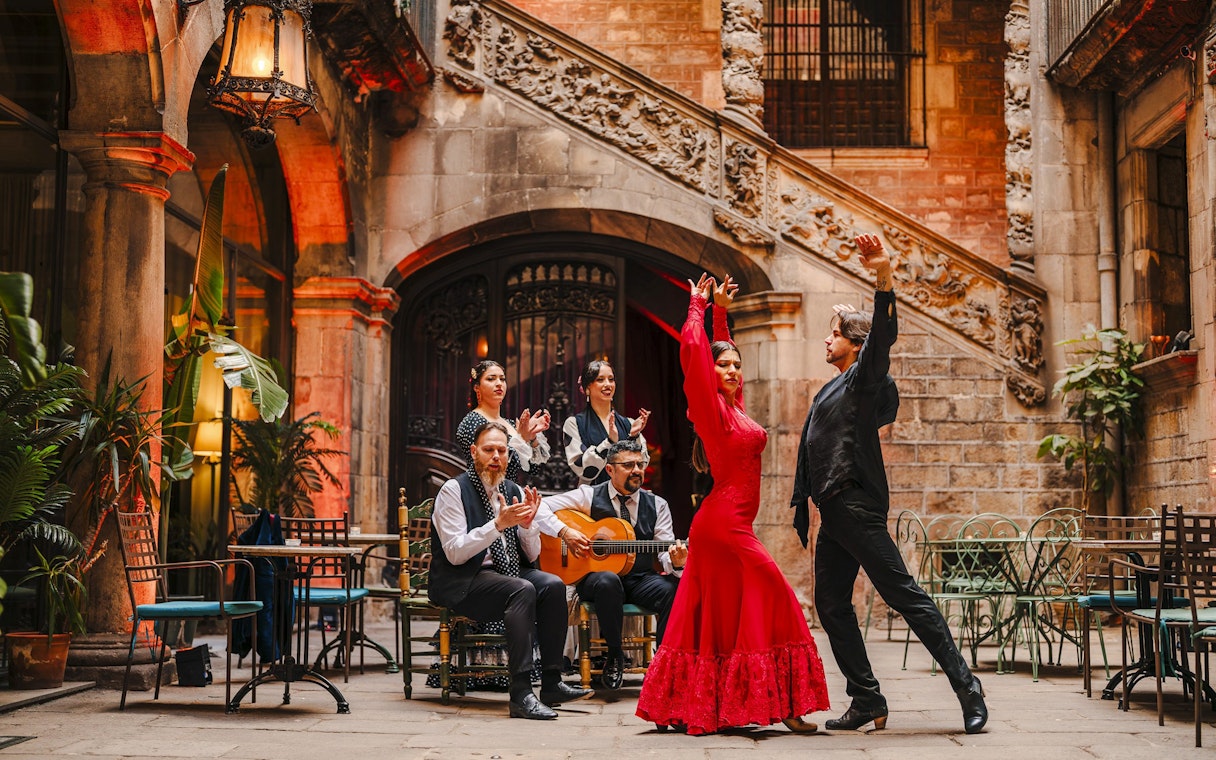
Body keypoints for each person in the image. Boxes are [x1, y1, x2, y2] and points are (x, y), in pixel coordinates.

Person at [789, 233, 989, 735]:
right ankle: (866, 699)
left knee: (905, 595)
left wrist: (883, 275)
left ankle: (968, 688)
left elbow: (883, 337)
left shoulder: (861, 378)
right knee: (832, 605)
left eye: (834, 333)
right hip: (833, 512)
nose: (826, 339)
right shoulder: (833, 386)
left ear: (856, 345)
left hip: (854, 505)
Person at [635, 273, 829, 736]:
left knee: (724, 617)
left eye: (738, 367)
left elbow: (723, 357)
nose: (733, 372)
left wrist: (722, 314)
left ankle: (730, 703)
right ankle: (782, 703)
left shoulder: (735, 406)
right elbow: (695, 357)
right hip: (724, 527)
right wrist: (697, 308)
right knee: (777, 595)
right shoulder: (709, 408)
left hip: (730, 525)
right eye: (724, 367)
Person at [428, 420, 593, 719]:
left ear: (508, 454)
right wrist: (497, 525)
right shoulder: (453, 491)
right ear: (474, 452)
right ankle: (520, 694)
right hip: (462, 581)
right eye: (488, 450)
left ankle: (553, 682)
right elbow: (454, 554)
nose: (495, 457)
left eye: (501, 450)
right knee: (522, 588)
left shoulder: (512, 489)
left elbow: (529, 555)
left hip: (503, 577)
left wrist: (528, 529)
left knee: (552, 584)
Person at [538, 438, 685, 688]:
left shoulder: (657, 505)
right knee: (608, 580)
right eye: (628, 465)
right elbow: (541, 507)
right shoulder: (588, 495)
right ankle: (615, 656)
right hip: (597, 580)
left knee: (671, 590)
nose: (636, 470)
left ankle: (663, 664)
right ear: (610, 469)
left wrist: (676, 562)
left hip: (639, 579)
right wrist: (566, 532)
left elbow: (663, 553)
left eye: (639, 464)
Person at [457, 360, 551, 483]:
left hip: (515, 493)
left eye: (502, 379)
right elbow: (494, 466)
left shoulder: (511, 424)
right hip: (486, 494)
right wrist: (522, 438)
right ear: (476, 387)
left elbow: (534, 470)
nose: (499, 384)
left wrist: (532, 437)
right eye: (491, 379)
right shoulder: (471, 422)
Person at [563, 359, 651, 486]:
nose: (608, 384)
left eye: (611, 379)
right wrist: (608, 442)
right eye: (600, 380)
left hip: (627, 497)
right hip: (592, 498)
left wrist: (633, 436)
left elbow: (642, 464)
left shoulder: (629, 424)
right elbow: (582, 470)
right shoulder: (574, 424)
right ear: (587, 388)